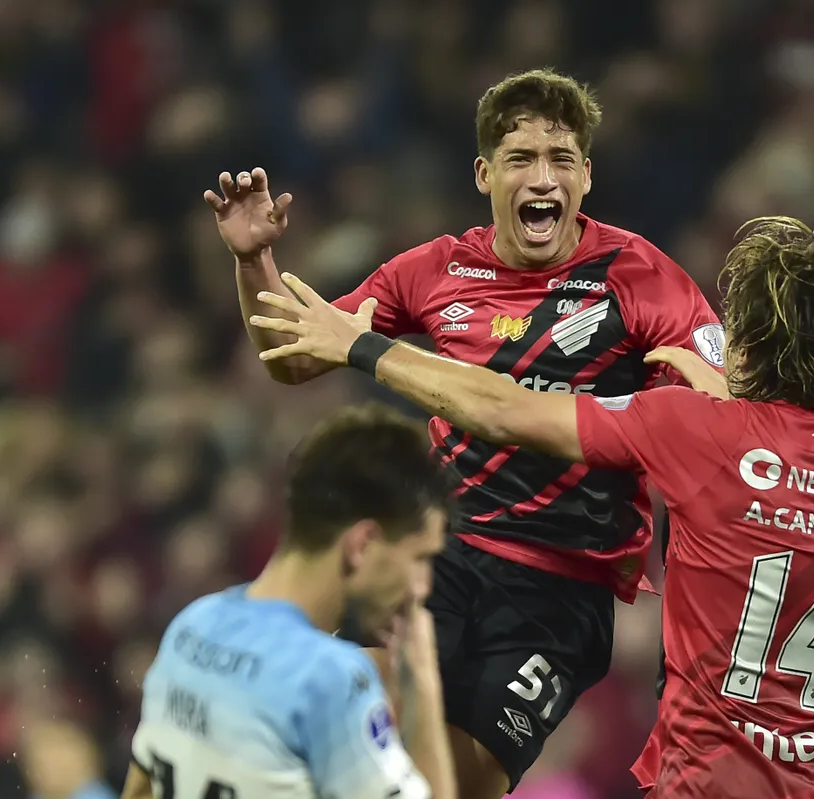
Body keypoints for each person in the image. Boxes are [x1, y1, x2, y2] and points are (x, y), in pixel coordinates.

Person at [246, 215, 814, 798]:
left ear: (751, 346)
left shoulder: (694, 429)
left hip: (706, 777)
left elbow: (505, 408)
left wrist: (362, 346)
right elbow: (789, 473)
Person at [206, 68, 724, 797]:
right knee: (351, 746)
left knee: (444, 787)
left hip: (559, 594)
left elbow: (720, 416)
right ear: (485, 174)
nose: (542, 177)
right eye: (520, 159)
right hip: (436, 554)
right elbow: (293, 358)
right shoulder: (437, 268)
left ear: (586, 176)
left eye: (561, 160)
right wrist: (253, 261)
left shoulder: (643, 278)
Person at [120, 405, 456, 799]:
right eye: (420, 558)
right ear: (362, 544)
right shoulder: (328, 678)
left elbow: (140, 791)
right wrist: (422, 680)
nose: (421, 586)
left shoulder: (192, 626)